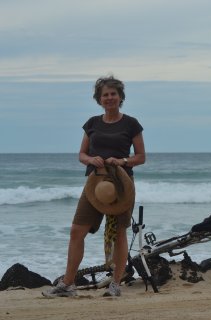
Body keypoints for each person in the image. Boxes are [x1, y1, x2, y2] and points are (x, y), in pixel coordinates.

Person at [42, 76, 146, 298]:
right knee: (76, 231)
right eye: (105, 95)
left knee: (119, 234)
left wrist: (123, 161)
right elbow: (81, 154)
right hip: (94, 184)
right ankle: (68, 284)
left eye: (113, 94)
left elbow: (141, 157)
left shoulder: (131, 123)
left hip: (120, 186)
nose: (109, 98)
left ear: (120, 97)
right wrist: (91, 159)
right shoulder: (92, 123)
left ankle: (115, 284)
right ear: (99, 99)